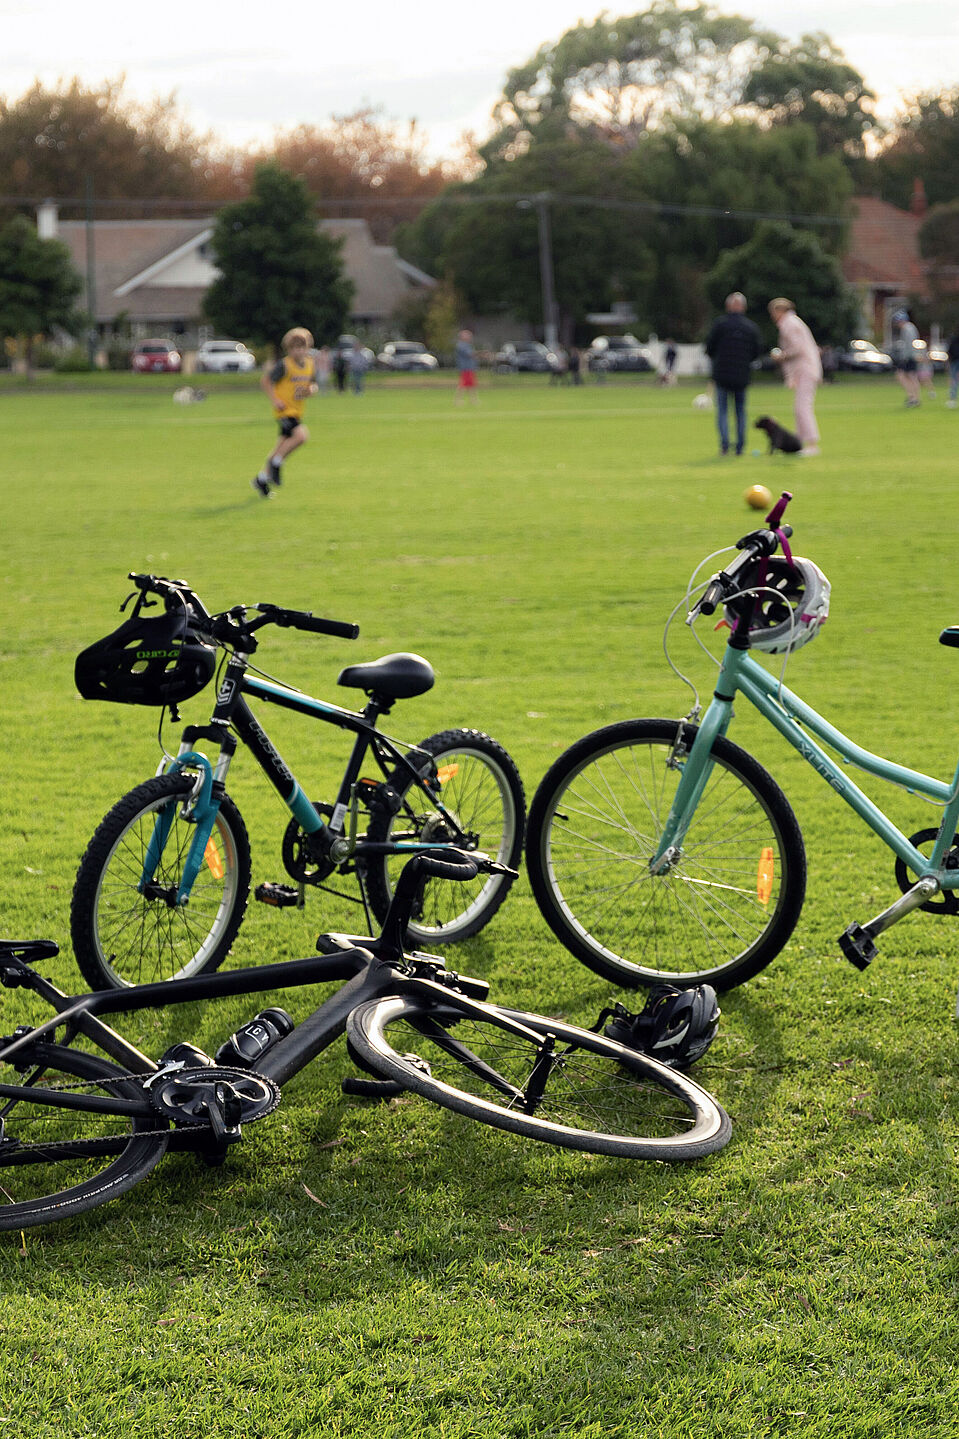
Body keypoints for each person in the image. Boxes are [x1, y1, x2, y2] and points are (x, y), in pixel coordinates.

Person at [251, 327, 317, 497]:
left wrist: (311, 390)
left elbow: (310, 385)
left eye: (302, 347)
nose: (298, 351)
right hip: (284, 411)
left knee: (282, 446)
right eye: (294, 348)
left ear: (308, 348)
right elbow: (266, 381)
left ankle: (262, 479)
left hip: (297, 410)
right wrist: (275, 400)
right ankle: (276, 463)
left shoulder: (310, 364)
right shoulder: (284, 365)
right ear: (288, 349)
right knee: (301, 436)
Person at [704, 293, 762, 456]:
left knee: (722, 411)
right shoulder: (750, 327)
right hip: (741, 375)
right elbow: (756, 352)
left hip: (722, 374)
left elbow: (709, 348)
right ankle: (740, 447)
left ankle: (724, 446)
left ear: (728, 306)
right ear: (743, 307)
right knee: (740, 411)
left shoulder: (719, 325)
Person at [768, 298, 823, 457]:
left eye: (773, 312)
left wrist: (781, 356)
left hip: (804, 369)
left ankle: (812, 444)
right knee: (799, 407)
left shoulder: (789, 324)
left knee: (802, 407)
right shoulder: (793, 322)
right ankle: (799, 444)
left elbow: (797, 348)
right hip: (804, 369)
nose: (772, 316)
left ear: (780, 311)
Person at [891, 309, 921, 408]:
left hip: (908, 357)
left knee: (902, 376)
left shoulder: (907, 328)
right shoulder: (911, 327)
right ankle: (915, 398)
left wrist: (905, 357)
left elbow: (908, 344)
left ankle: (912, 397)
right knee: (912, 377)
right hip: (912, 356)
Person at [454, 328, 478, 404]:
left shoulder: (467, 345)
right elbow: (470, 354)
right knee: (463, 384)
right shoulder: (461, 345)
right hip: (465, 367)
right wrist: (482, 353)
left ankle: (473, 399)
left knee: (470, 384)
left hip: (469, 367)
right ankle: (458, 400)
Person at [946, 328, 959, 409]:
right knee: (954, 380)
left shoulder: (954, 340)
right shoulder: (954, 340)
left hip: (954, 361)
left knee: (953, 380)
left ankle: (952, 398)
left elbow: (949, 351)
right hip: (954, 361)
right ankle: (952, 398)